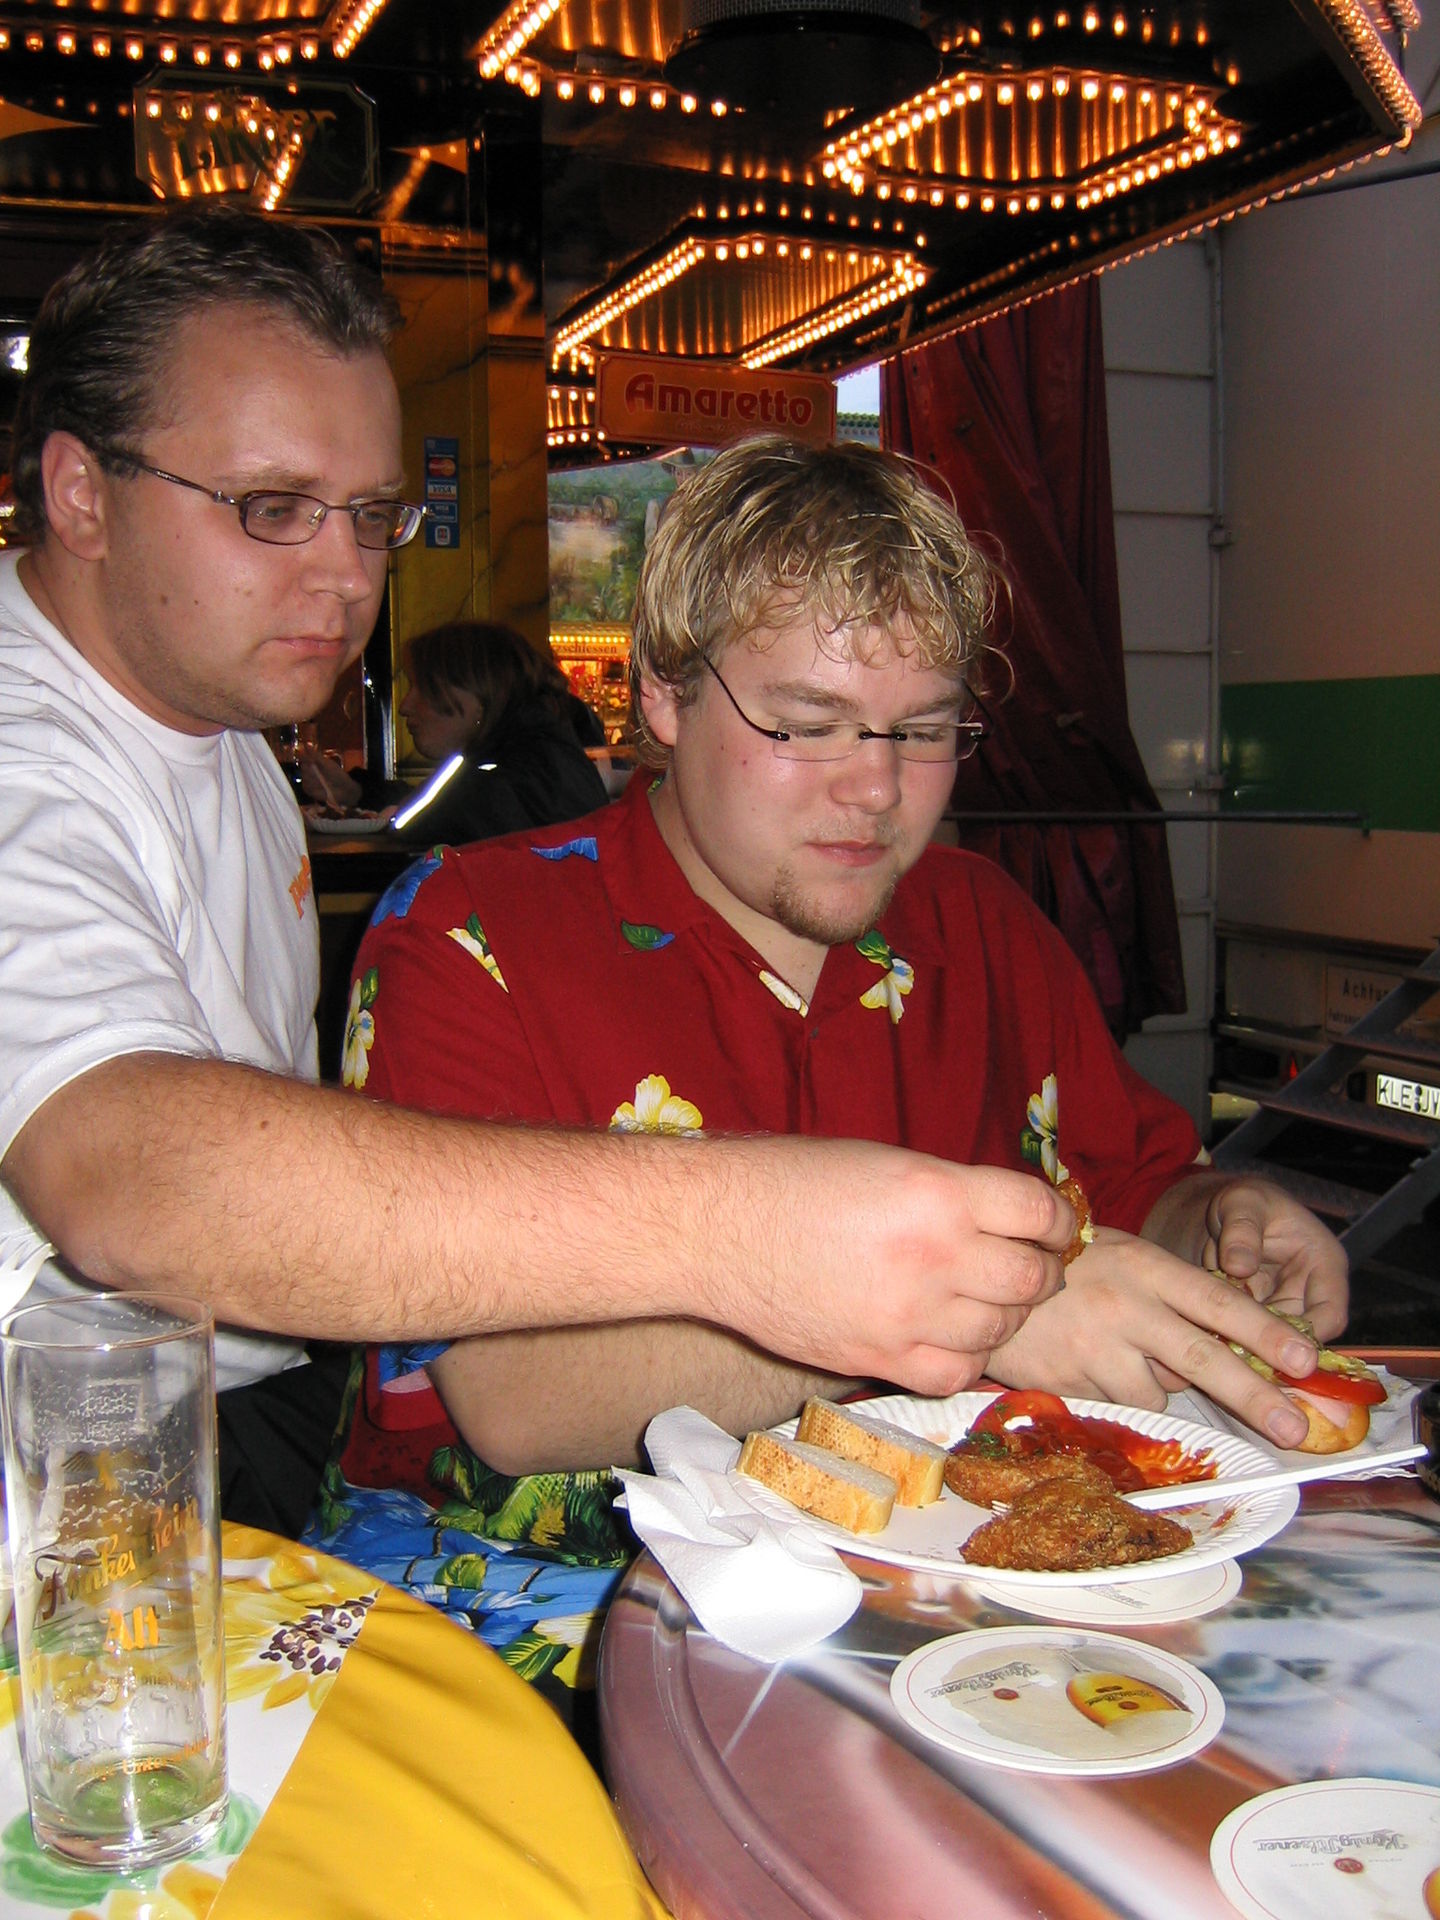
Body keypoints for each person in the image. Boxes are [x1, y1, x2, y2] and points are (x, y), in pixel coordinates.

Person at [0, 208, 1083, 1536]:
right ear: (80, 494)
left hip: (220, 1405)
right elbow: (136, 1181)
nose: (346, 576)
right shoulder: (24, 748)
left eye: (372, 515)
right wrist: (762, 1233)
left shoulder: (212, 720)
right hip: (49, 1473)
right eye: (272, 509)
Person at [316, 435, 1346, 1696]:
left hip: (943, 1595)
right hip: (523, 1617)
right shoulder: (468, 931)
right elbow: (512, 1397)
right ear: (665, 696)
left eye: (924, 730)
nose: (875, 789)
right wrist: (986, 1314)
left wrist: (1221, 1222)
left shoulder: (986, 924)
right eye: (807, 726)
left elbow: (1132, 1189)